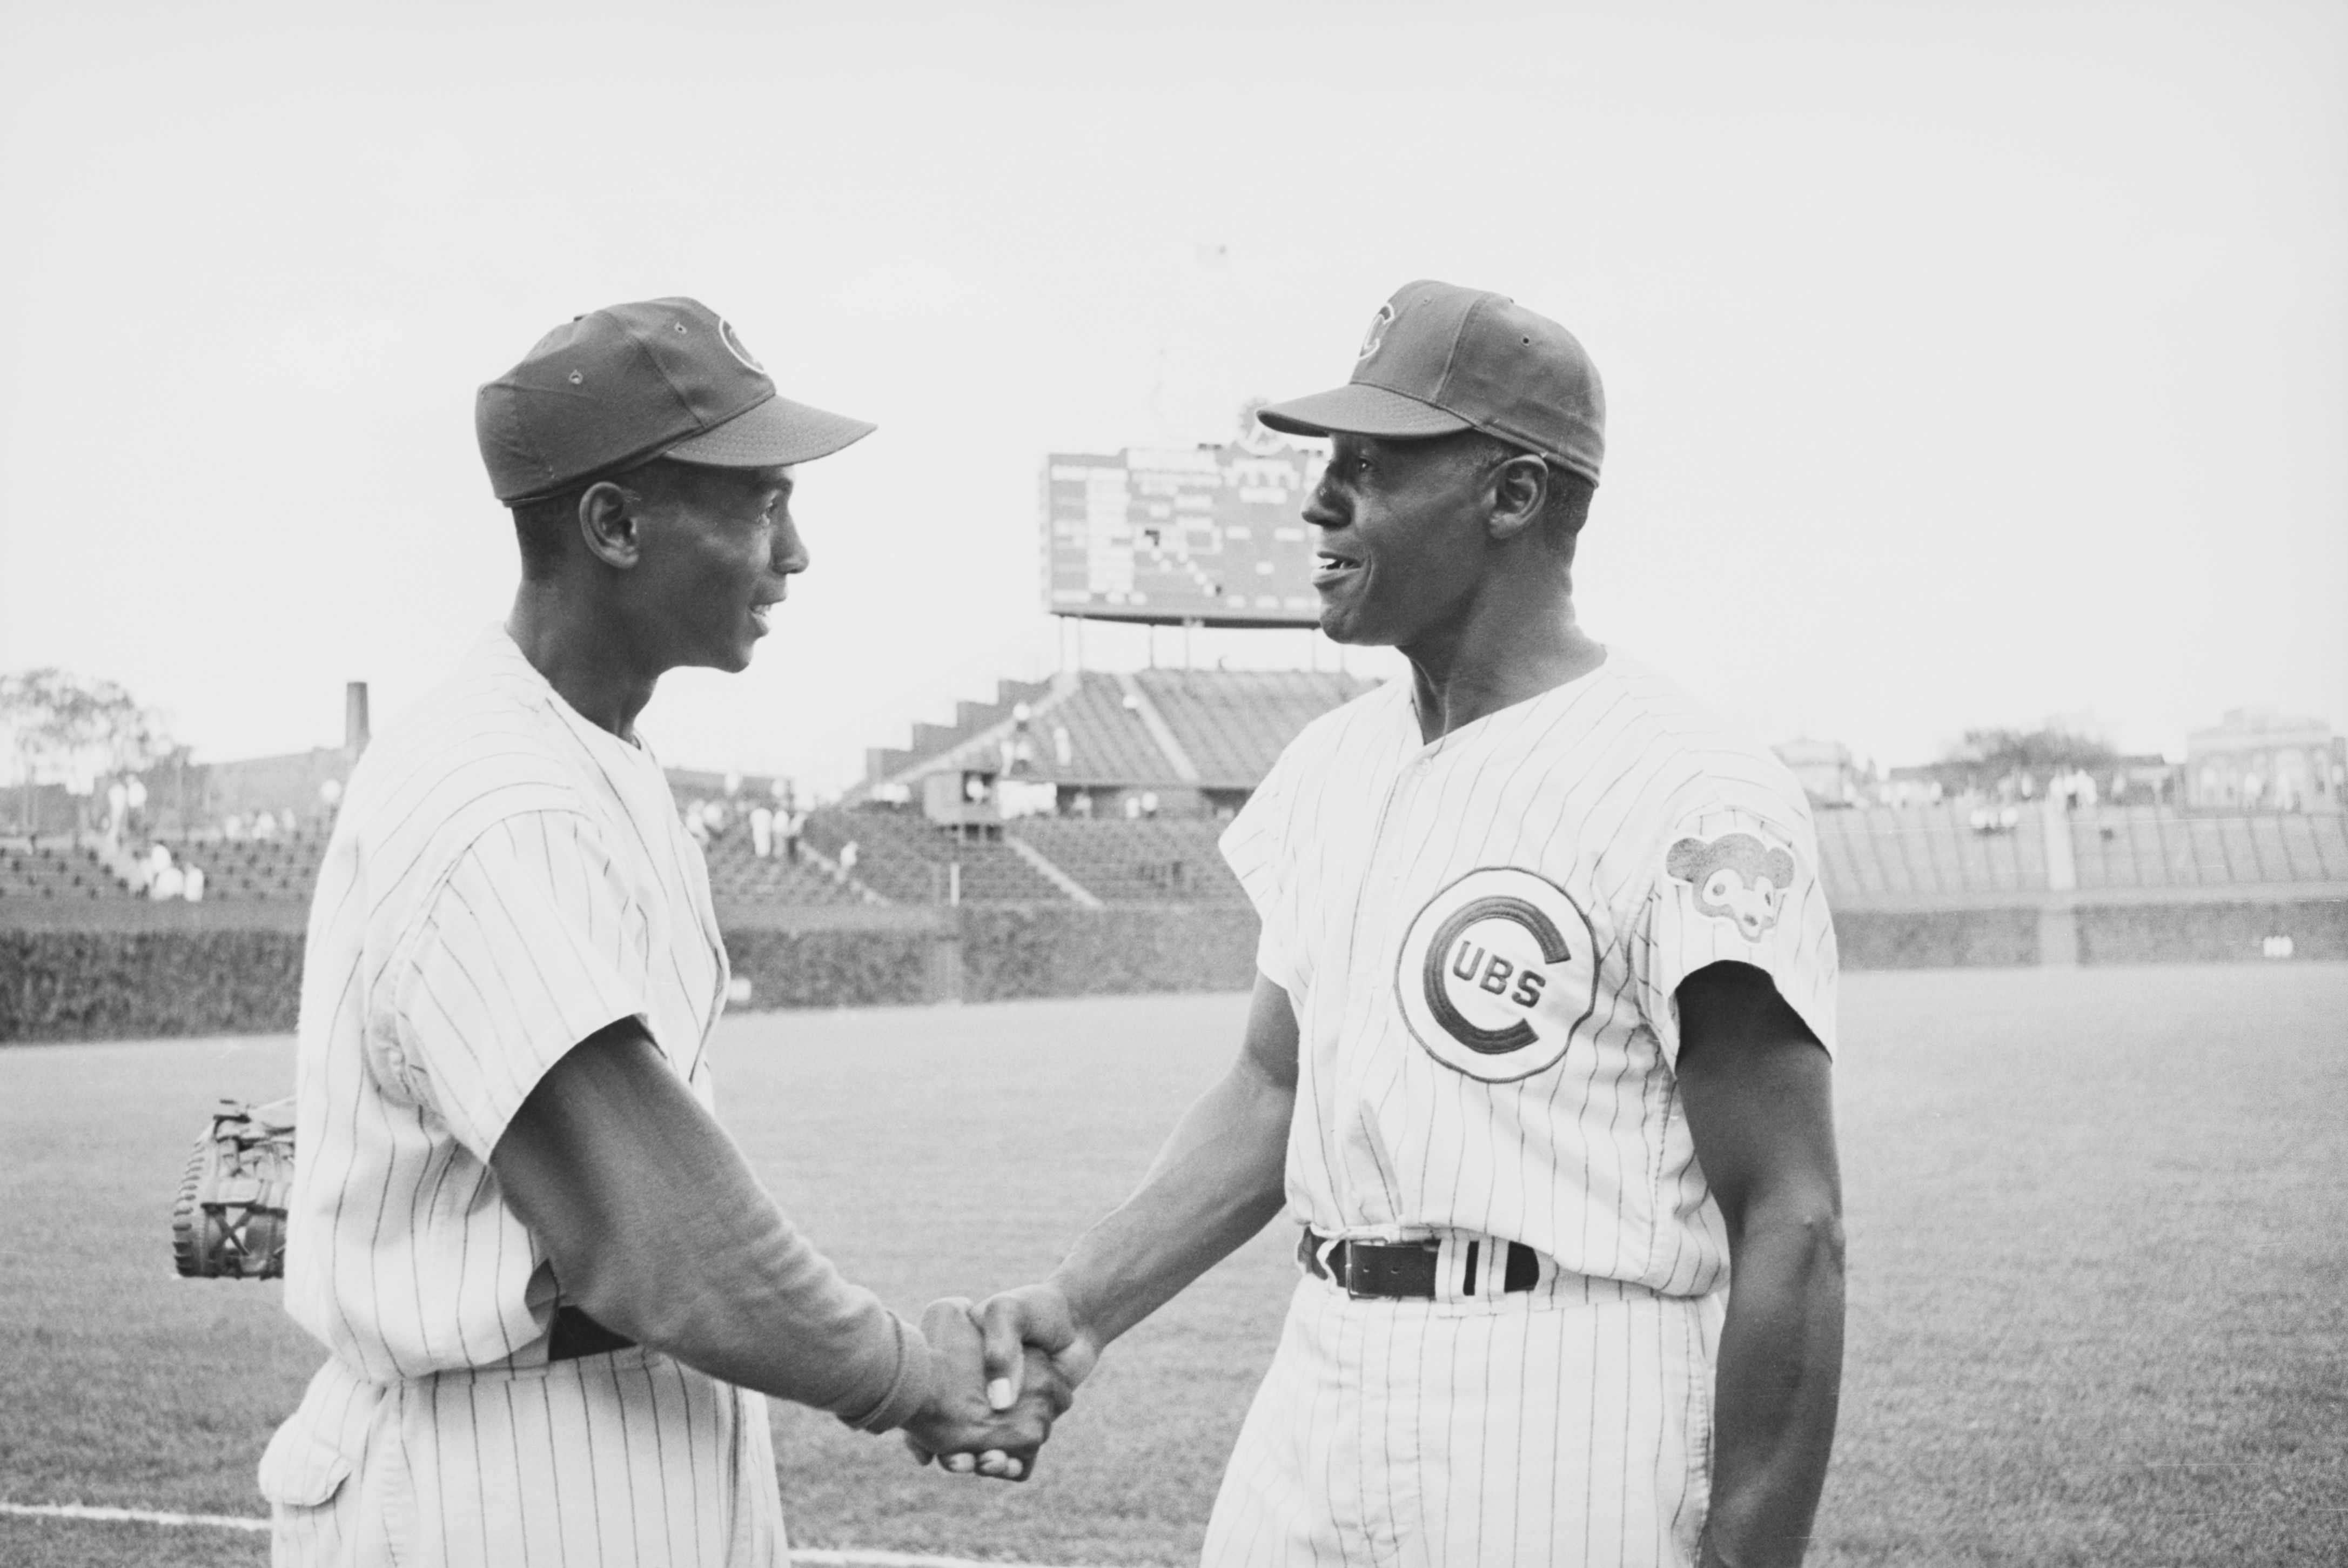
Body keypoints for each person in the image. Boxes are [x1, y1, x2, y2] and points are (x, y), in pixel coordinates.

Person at [970, 282, 1845, 1567]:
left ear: (1510, 496)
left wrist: (1746, 1555)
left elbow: (1793, 1215)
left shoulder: (1686, 784)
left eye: (1368, 468)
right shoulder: (1330, 763)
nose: (1319, 500)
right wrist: (1082, 1301)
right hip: (1319, 1375)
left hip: (1559, 1393)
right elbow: (1274, 1089)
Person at [260, 297, 1064, 1568]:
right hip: (500, 1467)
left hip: (621, 1422)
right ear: (614, 524)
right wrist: (913, 1372)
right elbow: (659, 1230)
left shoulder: (590, 756)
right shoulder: (494, 800)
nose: (793, 550)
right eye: (758, 501)